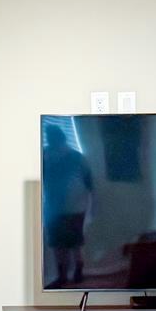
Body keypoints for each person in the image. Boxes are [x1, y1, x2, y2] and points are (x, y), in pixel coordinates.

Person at [41, 121, 95, 287]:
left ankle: (76, 272)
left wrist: (90, 206)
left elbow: (89, 183)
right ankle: (63, 275)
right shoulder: (44, 155)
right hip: (54, 208)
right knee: (59, 244)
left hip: (74, 207)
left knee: (73, 243)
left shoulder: (76, 157)